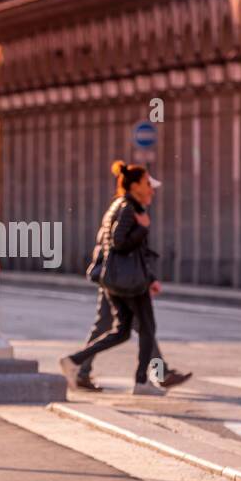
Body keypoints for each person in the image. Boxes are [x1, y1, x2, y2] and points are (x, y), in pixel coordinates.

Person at [59, 161, 179, 396]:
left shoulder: (122, 206)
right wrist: (142, 228)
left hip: (121, 278)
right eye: (147, 184)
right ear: (135, 186)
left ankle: (75, 362)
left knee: (122, 331)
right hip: (128, 282)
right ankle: (143, 380)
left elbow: (130, 250)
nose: (151, 189)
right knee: (145, 328)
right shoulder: (128, 208)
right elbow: (119, 242)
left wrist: (150, 276)